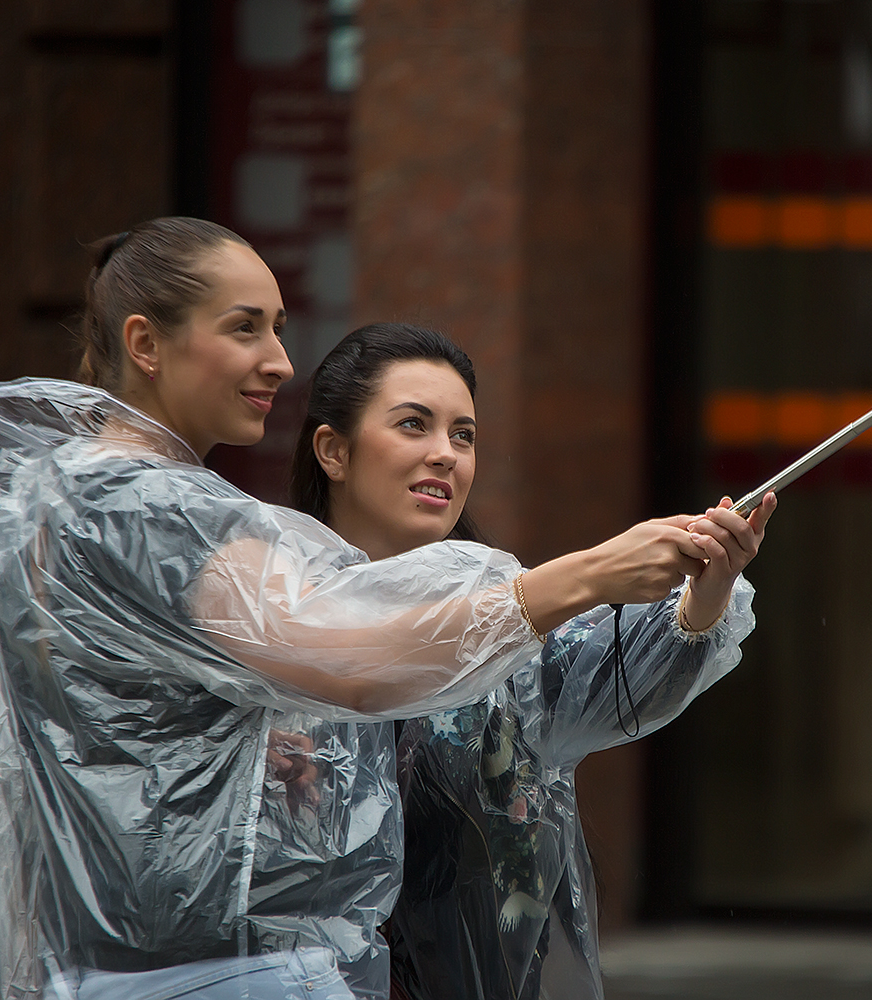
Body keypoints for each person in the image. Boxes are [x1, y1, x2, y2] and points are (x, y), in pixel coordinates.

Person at [0, 218, 719, 1000]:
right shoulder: (149, 509)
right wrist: (587, 576)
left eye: (279, 328)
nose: (278, 362)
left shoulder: (54, 500)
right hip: (213, 973)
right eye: (245, 329)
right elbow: (353, 664)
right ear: (145, 343)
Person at [287, 323, 776, 1000]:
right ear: (332, 450)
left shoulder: (510, 627)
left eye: (463, 435)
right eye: (413, 425)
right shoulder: (271, 616)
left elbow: (624, 672)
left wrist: (707, 591)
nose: (445, 455)